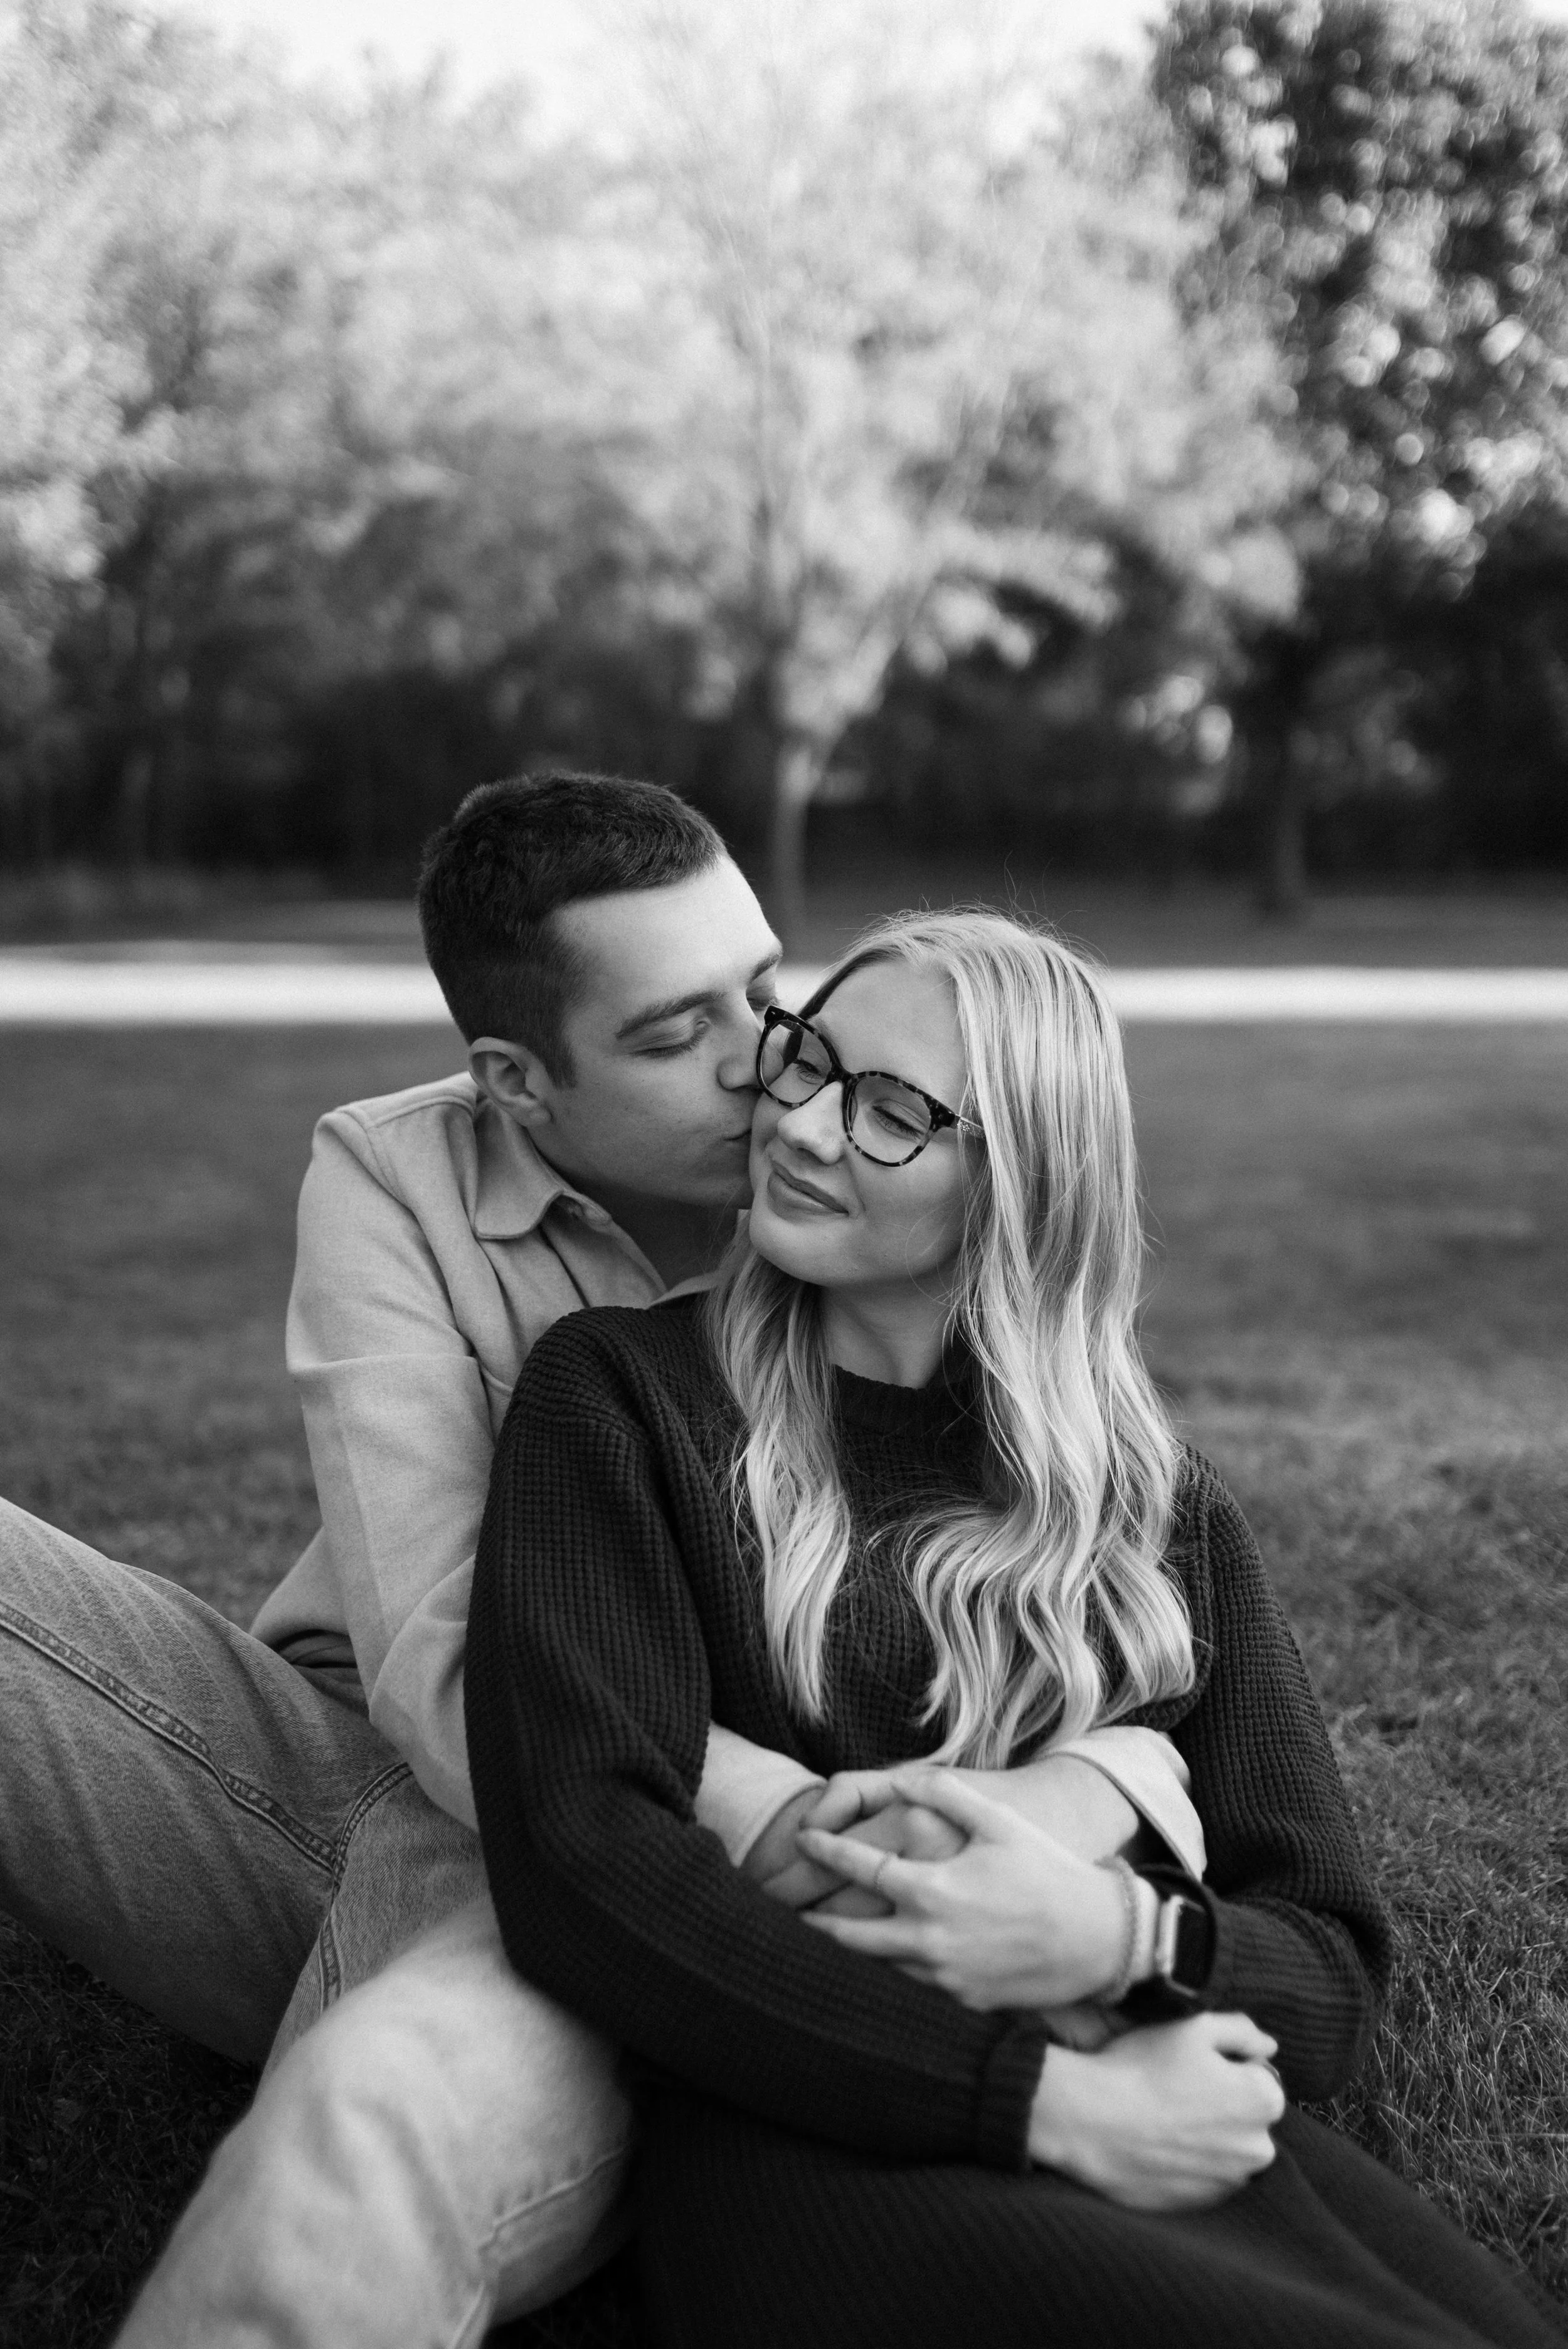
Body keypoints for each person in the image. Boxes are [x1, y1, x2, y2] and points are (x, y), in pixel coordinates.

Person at [0, 775, 1194, 2348]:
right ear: (516, 1081)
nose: (767, 1062)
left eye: (764, 989)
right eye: (669, 1034)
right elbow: (438, 1664)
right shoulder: (392, 1179)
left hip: (629, 1839)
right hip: (409, 1760)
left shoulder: (852, 1178)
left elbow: (1076, 1567)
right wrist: (808, 1830)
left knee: (384, 2112)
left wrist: (1077, 1807)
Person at [467, 908, 1562, 2349]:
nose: (799, 1127)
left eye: (894, 1113)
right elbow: (585, 1868)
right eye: (807, 1064)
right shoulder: (620, 1401)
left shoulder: (1150, 1514)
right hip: (825, 2143)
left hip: (1160, 2123)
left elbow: (1326, 1973)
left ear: (1022, 1179)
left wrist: (1107, 1932)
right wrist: (1029, 2078)